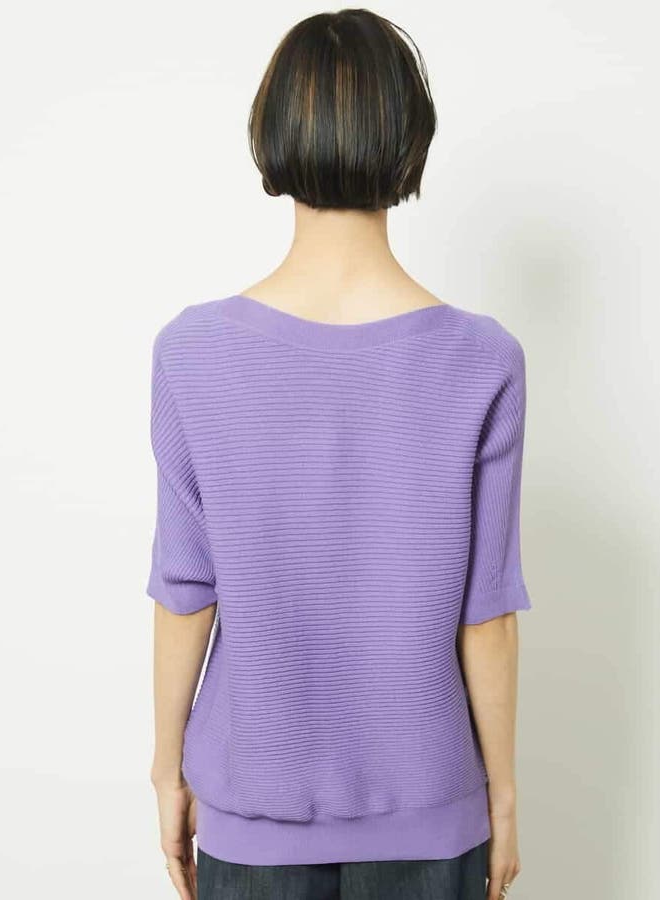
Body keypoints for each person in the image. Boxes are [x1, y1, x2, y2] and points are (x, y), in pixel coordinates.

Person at [147, 9, 532, 900]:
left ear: (273, 133)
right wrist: (504, 797)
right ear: (409, 141)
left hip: (252, 815)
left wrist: (167, 771)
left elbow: (184, 592)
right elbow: (488, 614)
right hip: (433, 820)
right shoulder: (485, 359)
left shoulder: (191, 352)